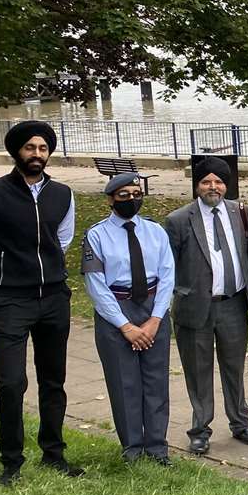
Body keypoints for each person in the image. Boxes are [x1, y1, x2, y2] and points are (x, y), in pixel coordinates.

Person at [0, 121, 80, 485]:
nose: (37, 154)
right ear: (16, 151)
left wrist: (45, 273)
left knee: (54, 380)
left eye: (43, 148)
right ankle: (11, 462)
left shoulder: (63, 194)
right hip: (7, 300)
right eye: (30, 148)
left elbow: (61, 241)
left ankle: (54, 453)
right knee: (11, 382)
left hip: (52, 298)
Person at [165, 156, 248, 455]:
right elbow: (167, 266)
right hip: (196, 308)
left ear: (226, 185)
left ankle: (240, 423)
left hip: (232, 304)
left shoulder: (240, 212)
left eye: (218, 182)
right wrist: (182, 293)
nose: (213, 187)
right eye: (206, 181)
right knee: (198, 370)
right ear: (196, 185)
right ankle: (200, 429)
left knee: (234, 367)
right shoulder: (178, 220)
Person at [82, 173, 176, 465]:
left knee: (156, 381)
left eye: (136, 193)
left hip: (152, 309)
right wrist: (125, 326)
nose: (132, 199)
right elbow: (96, 285)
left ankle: (157, 447)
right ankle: (133, 449)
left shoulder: (155, 231)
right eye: (124, 195)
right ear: (110, 199)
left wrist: (155, 320)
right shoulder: (96, 235)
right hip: (116, 312)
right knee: (125, 385)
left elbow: (168, 275)